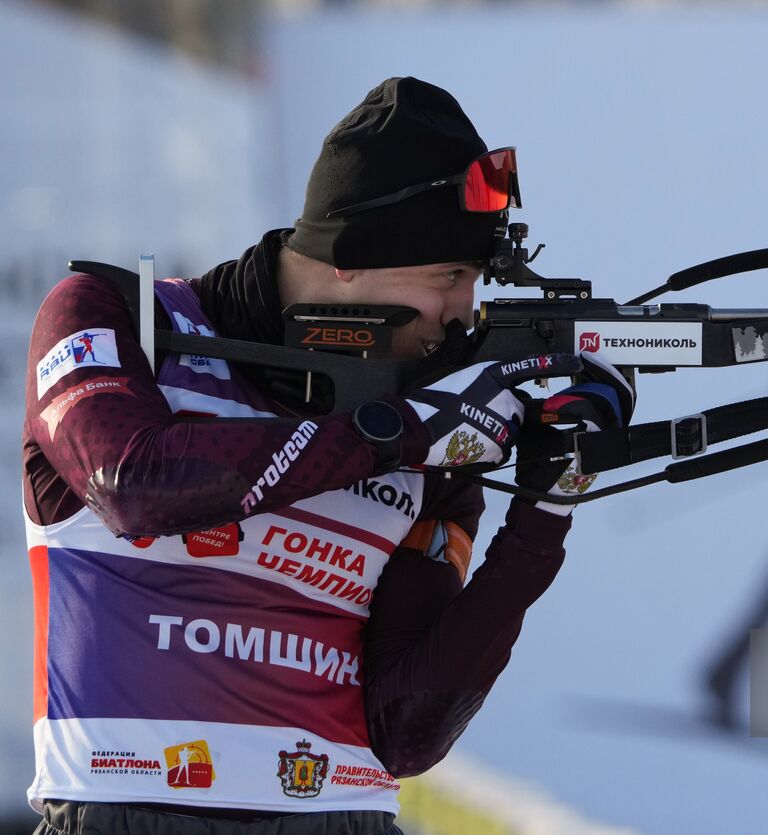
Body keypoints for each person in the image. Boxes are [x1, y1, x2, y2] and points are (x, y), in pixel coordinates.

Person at [22, 76, 633, 835]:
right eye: (449, 276)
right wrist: (403, 430)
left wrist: (548, 504)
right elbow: (135, 487)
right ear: (349, 258)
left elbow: (406, 731)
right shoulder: (114, 315)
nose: (461, 315)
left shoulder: (433, 414)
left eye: (473, 283)